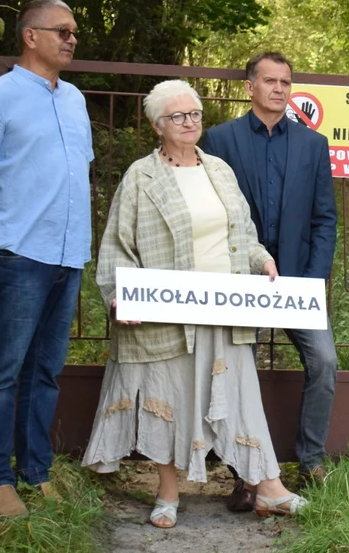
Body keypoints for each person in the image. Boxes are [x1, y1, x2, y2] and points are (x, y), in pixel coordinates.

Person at [82, 80, 307, 528]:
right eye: (178, 116)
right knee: (170, 393)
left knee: (240, 394)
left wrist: (262, 259)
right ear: (156, 125)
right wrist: (117, 296)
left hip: (224, 307)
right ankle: (168, 493)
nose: (190, 123)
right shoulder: (140, 177)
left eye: (195, 115)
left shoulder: (219, 170)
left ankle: (268, 488)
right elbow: (116, 246)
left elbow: (242, 232)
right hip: (167, 312)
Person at [0, 0, 92, 517]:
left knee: (45, 371)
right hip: (19, 253)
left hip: (68, 254)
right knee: (3, 370)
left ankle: (36, 472)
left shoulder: (76, 99)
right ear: (30, 37)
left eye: (74, 31)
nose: (71, 38)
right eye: (62, 30)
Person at [199, 52, 338, 511]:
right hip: (242, 280)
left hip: (297, 283)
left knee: (325, 362)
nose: (279, 89)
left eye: (286, 82)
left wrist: (312, 282)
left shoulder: (313, 145)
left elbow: (324, 220)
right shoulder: (220, 140)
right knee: (238, 374)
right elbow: (213, 214)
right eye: (270, 81)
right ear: (250, 87)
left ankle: (311, 459)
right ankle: (245, 475)